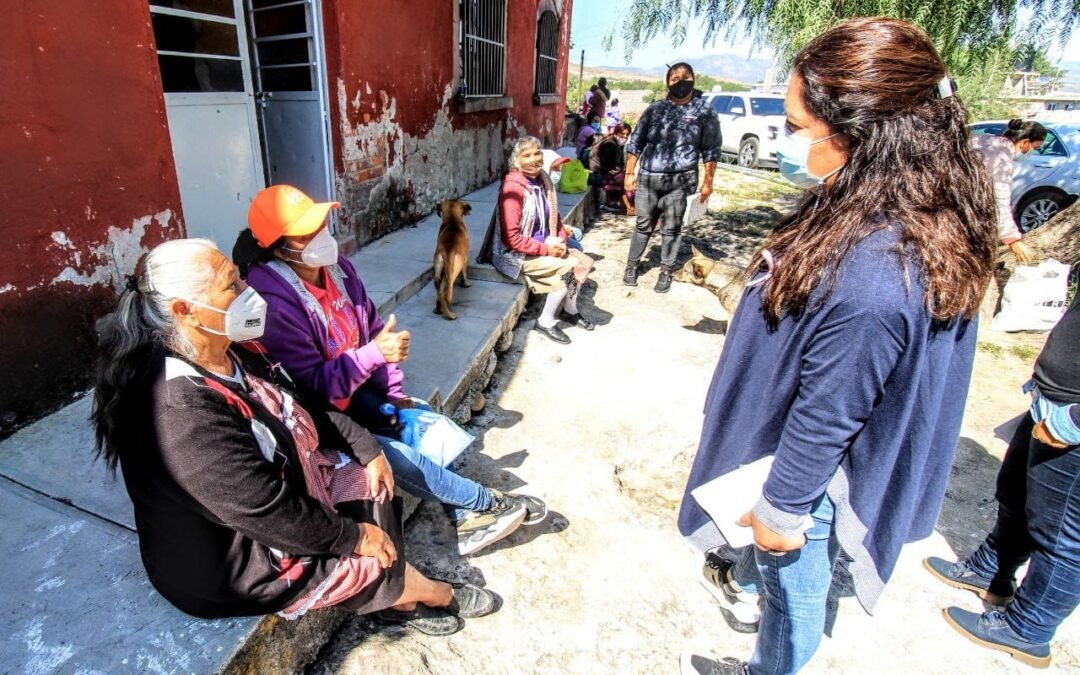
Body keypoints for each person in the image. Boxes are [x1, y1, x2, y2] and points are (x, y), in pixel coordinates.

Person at [677, 18, 997, 675]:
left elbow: (831, 411)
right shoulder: (914, 207)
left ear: (860, 134)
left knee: (792, 592)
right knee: (787, 582)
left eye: (798, 126)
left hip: (811, 482)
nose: (788, 140)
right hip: (815, 467)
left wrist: (782, 508)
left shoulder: (876, 271)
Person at [91, 238, 500, 636]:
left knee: (372, 480)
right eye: (232, 284)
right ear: (186, 311)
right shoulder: (180, 409)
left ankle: (395, 594)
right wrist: (353, 537)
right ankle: (426, 592)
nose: (248, 289)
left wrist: (367, 447)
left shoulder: (235, 348)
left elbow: (303, 399)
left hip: (280, 487)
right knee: (364, 553)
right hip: (234, 556)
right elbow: (264, 509)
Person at [232, 185, 546, 557]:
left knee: (416, 418)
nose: (321, 235)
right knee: (392, 453)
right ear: (279, 248)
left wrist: (393, 389)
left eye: (320, 224)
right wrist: (373, 356)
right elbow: (314, 387)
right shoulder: (274, 301)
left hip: (355, 391)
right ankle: (483, 503)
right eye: (306, 233)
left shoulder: (336, 269)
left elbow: (373, 328)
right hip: (318, 412)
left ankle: (464, 512)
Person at [925, 289, 1080, 669]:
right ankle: (991, 572)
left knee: (1062, 534)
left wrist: (1075, 422)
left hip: (1071, 419)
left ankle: (1028, 629)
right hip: (1053, 398)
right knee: (1016, 493)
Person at [484, 136, 597, 345]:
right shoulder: (513, 189)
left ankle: (570, 310)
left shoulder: (543, 180)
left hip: (545, 243)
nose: (534, 159)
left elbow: (555, 218)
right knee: (569, 269)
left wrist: (561, 241)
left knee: (583, 260)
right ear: (516, 161)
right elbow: (511, 239)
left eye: (537, 153)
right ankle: (545, 321)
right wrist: (546, 249)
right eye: (526, 155)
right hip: (517, 253)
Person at [623, 62, 720, 293]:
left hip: (681, 181)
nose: (680, 82)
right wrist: (629, 173)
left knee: (672, 227)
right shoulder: (655, 109)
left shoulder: (705, 112)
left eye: (685, 77)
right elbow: (636, 141)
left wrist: (708, 182)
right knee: (643, 224)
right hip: (649, 178)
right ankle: (632, 265)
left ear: (694, 80)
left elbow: (711, 150)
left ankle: (666, 270)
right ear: (667, 83)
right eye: (675, 78)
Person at [971, 118, 1047, 264]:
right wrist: (1012, 240)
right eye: (1034, 147)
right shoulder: (1001, 159)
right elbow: (999, 201)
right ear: (1025, 142)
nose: (1032, 152)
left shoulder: (983, 139)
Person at [589, 122, 634, 214]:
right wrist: (612, 170)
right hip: (597, 173)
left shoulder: (615, 143)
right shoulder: (610, 144)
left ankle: (618, 203)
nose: (625, 137)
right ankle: (612, 203)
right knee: (624, 179)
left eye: (627, 134)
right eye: (622, 134)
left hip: (603, 171)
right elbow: (605, 163)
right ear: (616, 133)